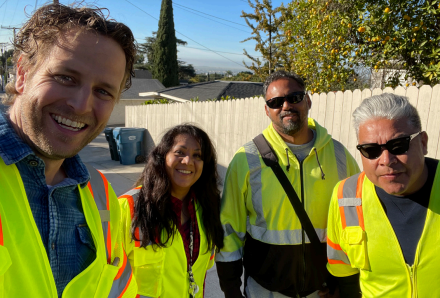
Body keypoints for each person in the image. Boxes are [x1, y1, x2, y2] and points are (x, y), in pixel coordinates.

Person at [0, 3, 137, 297]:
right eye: (65, 78)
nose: (81, 105)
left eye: (103, 91)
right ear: (22, 73)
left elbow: (121, 289)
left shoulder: (101, 195)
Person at [216, 70, 359, 298]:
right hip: (265, 290)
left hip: (322, 291)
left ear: (308, 100)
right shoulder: (247, 159)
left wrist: (348, 284)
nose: (285, 106)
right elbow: (229, 229)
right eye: (275, 102)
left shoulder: (340, 156)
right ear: (266, 110)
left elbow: (354, 221)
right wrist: (231, 289)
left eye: (294, 97)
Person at [326, 93, 440, 297]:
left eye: (399, 145)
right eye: (371, 150)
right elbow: (343, 272)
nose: (386, 160)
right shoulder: (346, 196)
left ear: (423, 142)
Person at [118, 124, 224, 298]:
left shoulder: (208, 210)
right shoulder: (128, 208)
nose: (187, 161)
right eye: (179, 152)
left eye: (197, 155)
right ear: (162, 157)